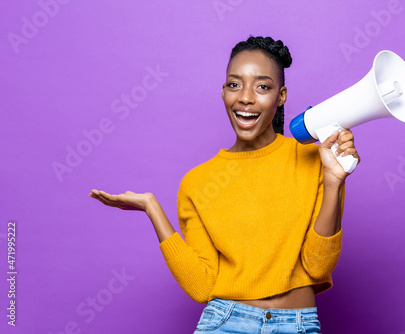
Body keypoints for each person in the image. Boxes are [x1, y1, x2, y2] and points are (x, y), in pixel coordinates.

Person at [89, 36, 360, 333]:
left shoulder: (316, 161)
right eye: (234, 84)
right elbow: (202, 286)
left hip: (297, 323)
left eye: (262, 86)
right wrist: (152, 208)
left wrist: (334, 182)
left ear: (281, 95)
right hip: (226, 322)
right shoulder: (197, 183)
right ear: (223, 92)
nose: (245, 97)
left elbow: (318, 267)